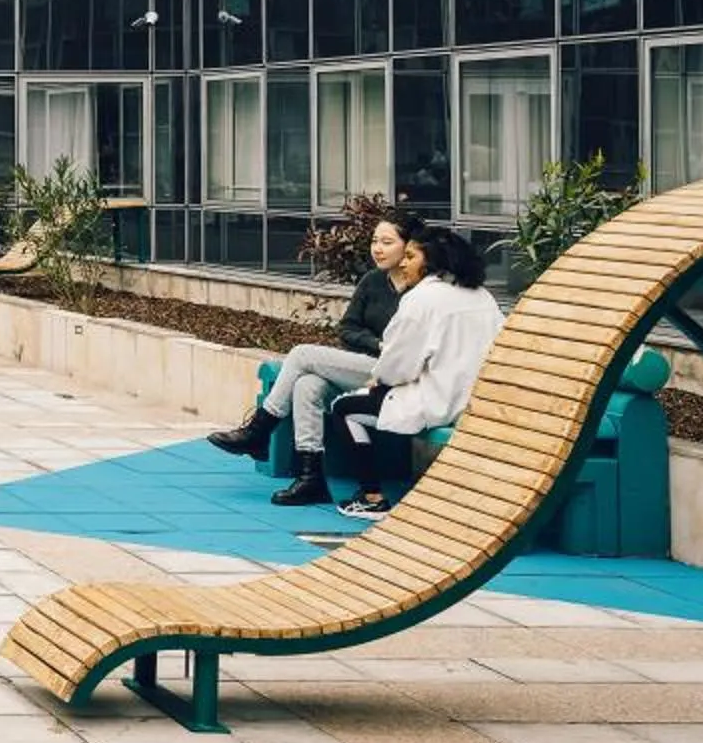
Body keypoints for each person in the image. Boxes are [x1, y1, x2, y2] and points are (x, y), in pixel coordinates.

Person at [208, 210, 423, 506]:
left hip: (396, 375)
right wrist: (377, 343)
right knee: (307, 384)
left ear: (410, 247)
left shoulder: (425, 291)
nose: (377, 248)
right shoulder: (373, 281)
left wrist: (389, 351)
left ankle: (258, 431)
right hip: (364, 367)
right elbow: (347, 329)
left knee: (301, 355)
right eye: (375, 241)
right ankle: (312, 478)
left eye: (387, 242)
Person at [329, 226, 503, 520]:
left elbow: (397, 365)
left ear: (431, 260)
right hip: (478, 399)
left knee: (344, 409)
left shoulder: (421, 300)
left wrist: (379, 381)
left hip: (439, 402)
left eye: (410, 256)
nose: (404, 263)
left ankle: (372, 497)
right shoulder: (482, 296)